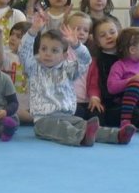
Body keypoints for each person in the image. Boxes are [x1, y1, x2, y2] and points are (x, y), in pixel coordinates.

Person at [18, 9, 99, 147]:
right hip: (43, 120)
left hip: (67, 116)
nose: (47, 54)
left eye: (54, 50)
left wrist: (77, 45)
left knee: (85, 125)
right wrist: (33, 31)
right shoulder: (33, 68)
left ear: (65, 55)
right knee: (63, 129)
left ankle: (116, 135)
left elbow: (86, 61)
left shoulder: (68, 69)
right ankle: (81, 137)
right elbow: (23, 52)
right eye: (43, 49)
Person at [68, 12, 137, 144]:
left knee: (100, 117)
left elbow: (94, 82)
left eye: (85, 30)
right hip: (73, 102)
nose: (80, 32)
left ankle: (102, 133)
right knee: (80, 117)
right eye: (76, 29)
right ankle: (87, 133)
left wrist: (94, 97)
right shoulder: (63, 53)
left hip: (95, 101)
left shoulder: (94, 59)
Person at [3, 21, 31, 124]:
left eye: (18, 36)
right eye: (12, 34)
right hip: (10, 104)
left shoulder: (34, 60)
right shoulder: (6, 56)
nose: (13, 38)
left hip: (27, 104)